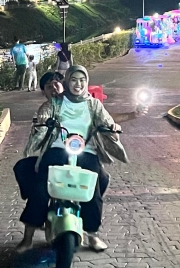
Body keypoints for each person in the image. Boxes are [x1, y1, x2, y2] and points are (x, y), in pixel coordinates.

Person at [17, 65, 127, 253]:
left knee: (94, 187)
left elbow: (107, 121)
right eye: (74, 80)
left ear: (87, 82)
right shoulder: (56, 103)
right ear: (67, 81)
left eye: (82, 80)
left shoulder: (94, 104)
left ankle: (92, 234)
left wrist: (113, 127)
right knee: (42, 188)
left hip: (87, 151)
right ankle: (28, 237)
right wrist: (41, 122)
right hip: (58, 149)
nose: (78, 84)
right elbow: (43, 116)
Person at [13, 72, 64, 201]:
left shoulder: (77, 104)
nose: (53, 88)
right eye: (48, 86)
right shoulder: (45, 109)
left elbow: (99, 118)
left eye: (56, 84)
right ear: (43, 92)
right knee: (30, 173)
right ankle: (33, 218)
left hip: (78, 150)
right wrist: (41, 126)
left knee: (101, 177)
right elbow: (36, 138)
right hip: (54, 153)